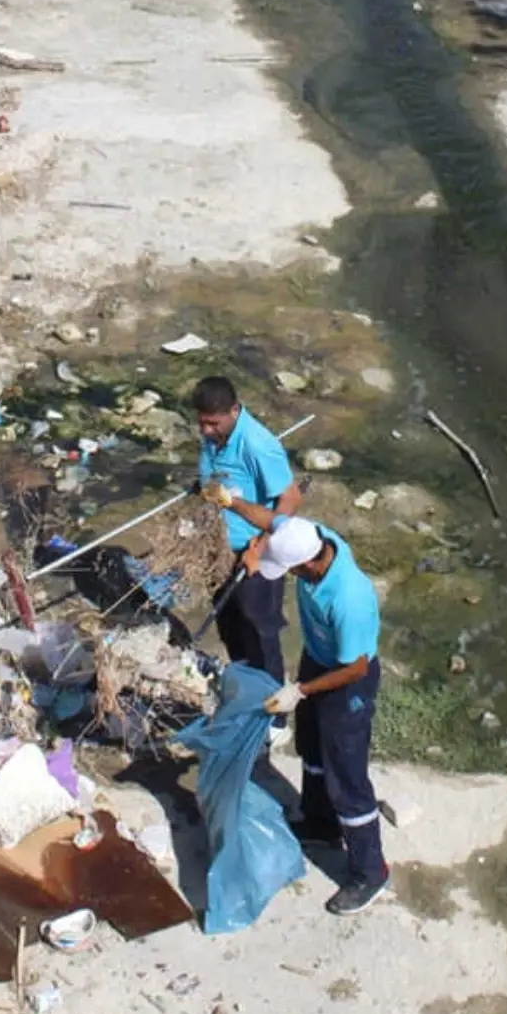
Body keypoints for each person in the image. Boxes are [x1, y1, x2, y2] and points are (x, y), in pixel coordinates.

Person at [248, 516, 389, 917]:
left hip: (347, 683)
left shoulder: (348, 597)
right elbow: (269, 516)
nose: (289, 575)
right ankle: (320, 823)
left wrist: (300, 690)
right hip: (320, 660)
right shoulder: (313, 536)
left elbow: (356, 668)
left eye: (290, 570)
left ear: (309, 565)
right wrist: (231, 501)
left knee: (346, 774)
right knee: (310, 746)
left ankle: (370, 870)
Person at [193, 375, 303, 716]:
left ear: (234, 411)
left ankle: (274, 711)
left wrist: (261, 545)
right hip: (218, 546)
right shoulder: (213, 437)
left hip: (253, 552)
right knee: (228, 621)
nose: (207, 431)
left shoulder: (258, 445)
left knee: (259, 629)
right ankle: (244, 689)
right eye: (202, 423)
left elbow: (290, 497)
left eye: (213, 423)